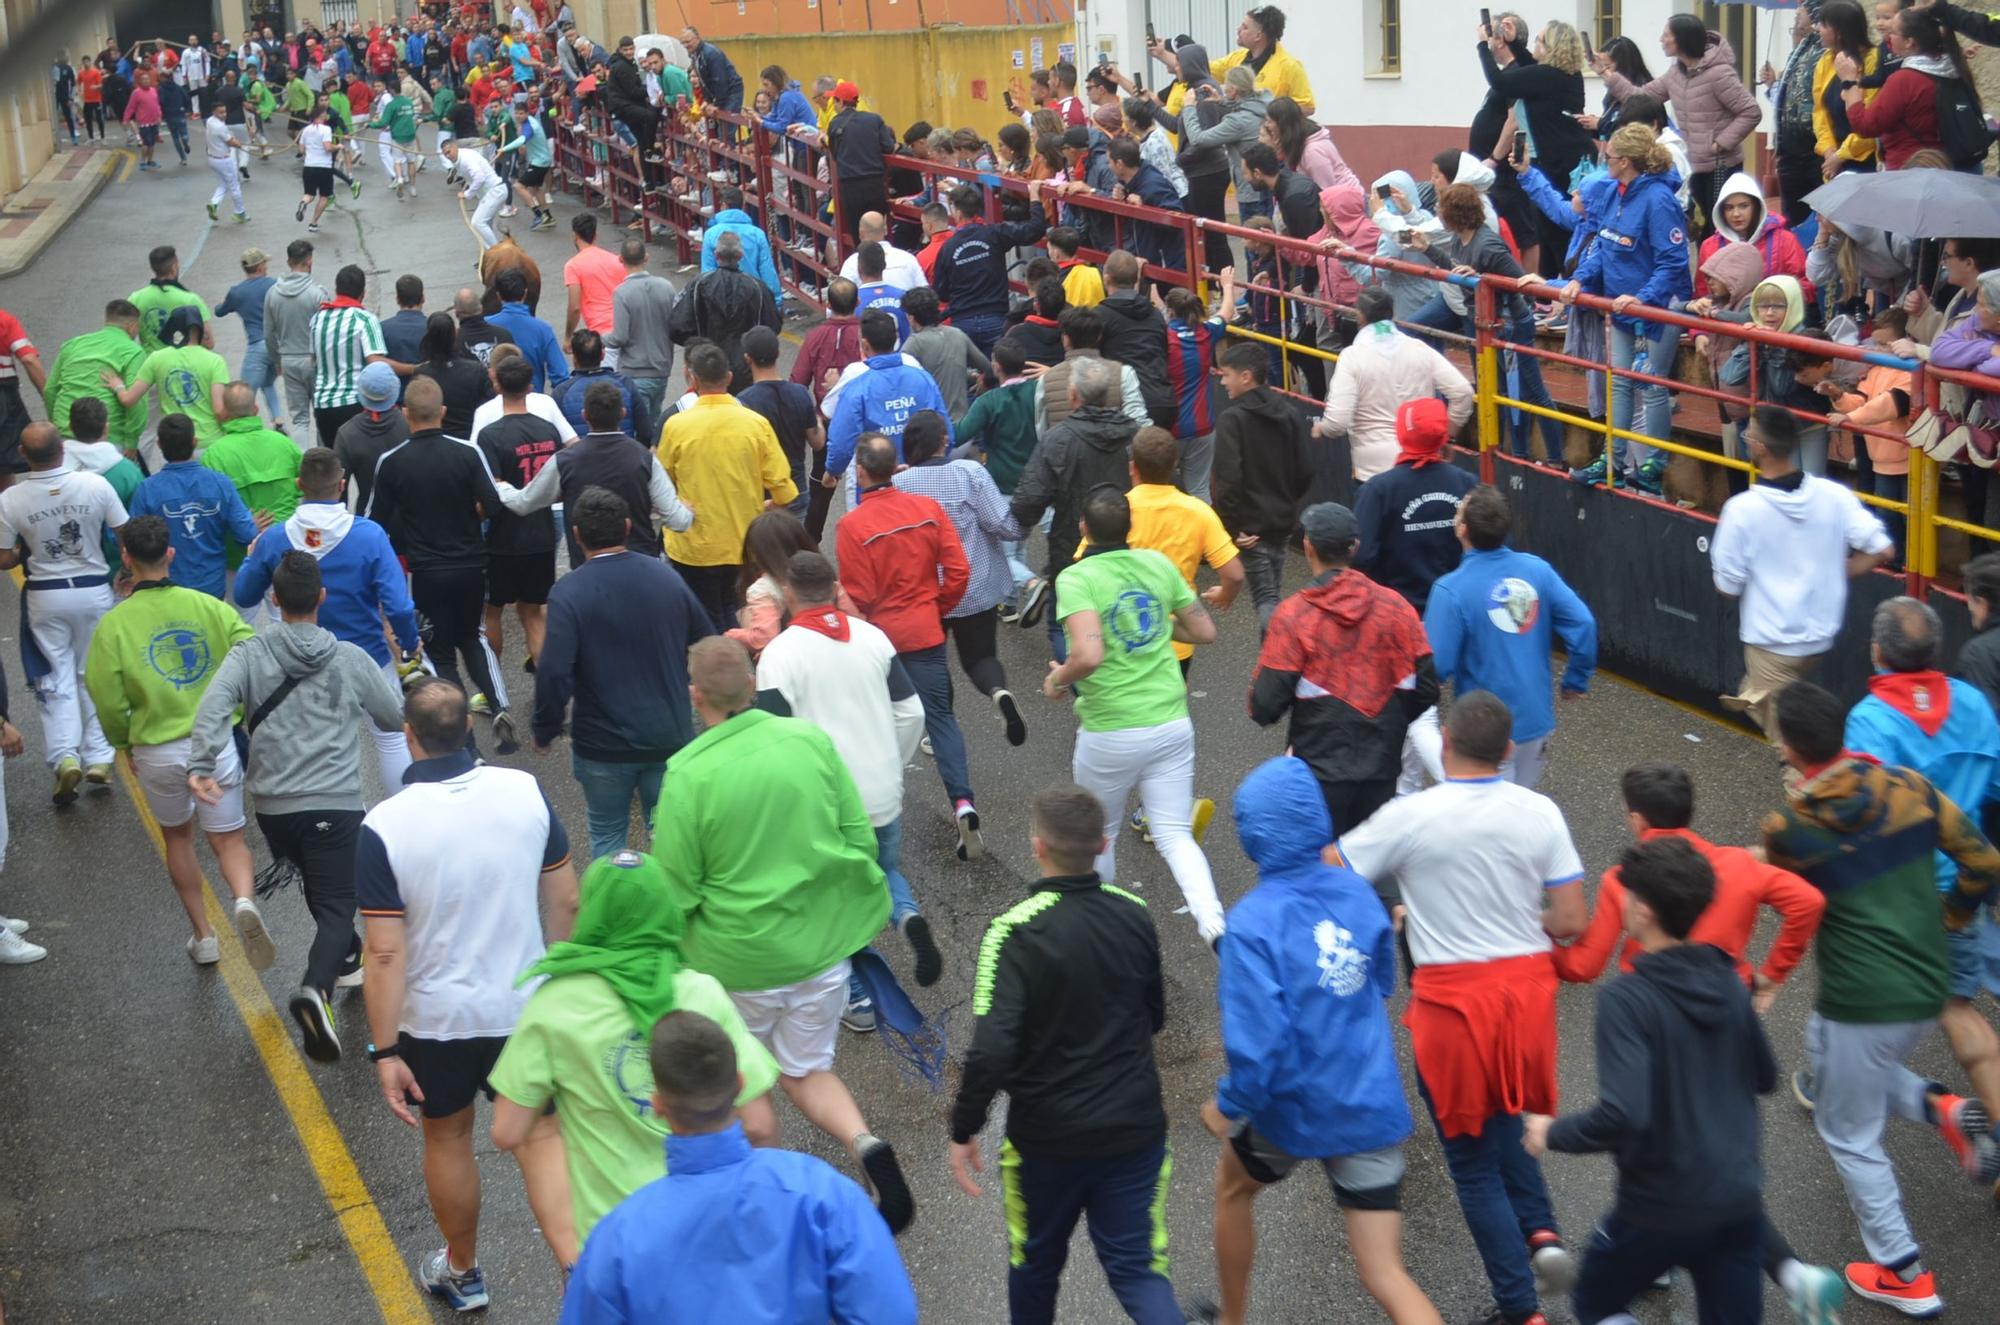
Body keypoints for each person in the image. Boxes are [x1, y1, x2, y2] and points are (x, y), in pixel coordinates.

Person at [1333, 690, 1586, 1325]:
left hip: (1454, 1007)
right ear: (1506, 752)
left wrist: (1404, 903)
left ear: (1444, 744)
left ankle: (1520, 1310)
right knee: (1507, 1120)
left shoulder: (1411, 814)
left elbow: (1334, 864)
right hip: (1525, 999)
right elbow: (1571, 920)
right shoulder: (1540, 811)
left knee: (1471, 1163)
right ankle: (1543, 1234)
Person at [652, 636, 915, 1231]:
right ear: (752, 684)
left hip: (735, 966)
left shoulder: (688, 774)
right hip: (820, 951)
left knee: (743, 1087)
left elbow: (677, 890)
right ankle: (864, 1143)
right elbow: (859, 835)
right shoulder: (808, 741)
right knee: (806, 1070)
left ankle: (768, 1207)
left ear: (697, 696)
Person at [1763, 680, 2000, 1315]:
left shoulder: (1792, 824)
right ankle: (1941, 1108)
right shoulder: (1908, 787)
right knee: (1824, 1053)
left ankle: (1903, 1273)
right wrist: (1951, 918)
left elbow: (1785, 896)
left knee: (1849, 1132)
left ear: (1790, 747)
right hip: (1928, 982)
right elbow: (1982, 860)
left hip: (1864, 998)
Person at [1194, 756, 1443, 1325]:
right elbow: (1380, 980)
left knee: (1234, 1191)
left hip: (1293, 1107)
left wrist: (1227, 1104)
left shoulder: (1251, 925)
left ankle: (1231, 1319)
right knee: (1385, 1272)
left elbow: (1260, 1047)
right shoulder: (1358, 894)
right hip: (1368, 1099)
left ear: (1253, 837)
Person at [358, 679, 580, 1304]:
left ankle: (463, 1273)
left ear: (409, 737)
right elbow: (565, 897)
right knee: (540, 1138)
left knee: (448, 1137)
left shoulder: (385, 825)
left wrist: (384, 1052)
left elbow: (383, 952)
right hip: (524, 1010)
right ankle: (577, 1270)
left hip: (437, 1021)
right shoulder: (524, 791)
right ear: (470, 729)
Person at [948, 783, 1183, 1324]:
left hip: (1045, 1143)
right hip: (1135, 1131)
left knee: (1034, 1266)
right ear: (1103, 844)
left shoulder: (1011, 932)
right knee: (1138, 1270)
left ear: (1037, 847)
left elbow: (991, 1050)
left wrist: (965, 1129)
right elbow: (1156, 1017)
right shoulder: (1135, 912)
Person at [1522, 837, 1776, 1323]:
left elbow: (1623, 1113)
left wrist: (1550, 1131)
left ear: (1641, 911)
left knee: (1595, 1302)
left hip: (1659, 1205)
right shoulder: (1728, 979)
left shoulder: (1627, 999)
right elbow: (1763, 1077)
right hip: (1738, 1199)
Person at [559, 1009, 916, 1324]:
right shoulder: (820, 1191)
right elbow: (889, 1313)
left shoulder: (617, 1240)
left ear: (658, 1105)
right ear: (740, 1084)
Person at [190, 547, 407, 1059]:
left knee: (319, 882)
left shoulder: (248, 655)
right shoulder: (351, 659)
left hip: (273, 809)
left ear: (274, 598)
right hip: (335, 803)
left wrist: (201, 764)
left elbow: (214, 707)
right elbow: (393, 718)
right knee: (338, 904)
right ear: (322, 598)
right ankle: (316, 988)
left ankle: (348, 958)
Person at [1842, 597, 2000, 1164]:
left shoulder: (1870, 719)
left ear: (1878, 651)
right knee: (1957, 1006)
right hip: (1966, 884)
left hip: (1902, 896)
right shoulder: (1976, 705)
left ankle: (1838, 1081)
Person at [755, 548, 941, 1012]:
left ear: (788, 594)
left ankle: (857, 999)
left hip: (824, 802)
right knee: (885, 868)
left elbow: (771, 743)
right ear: (836, 589)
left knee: (829, 898)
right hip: (881, 789)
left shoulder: (778, 655)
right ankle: (906, 915)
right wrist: (890, 762)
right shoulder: (872, 637)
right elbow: (911, 711)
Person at [83, 514, 263, 967]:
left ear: (125, 557)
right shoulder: (209, 607)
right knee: (230, 839)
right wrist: (236, 708)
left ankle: (203, 936)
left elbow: (105, 696)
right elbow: (252, 654)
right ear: (170, 553)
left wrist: (123, 742)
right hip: (215, 742)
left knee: (179, 838)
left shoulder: (114, 625)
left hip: (156, 749)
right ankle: (244, 901)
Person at [1047, 486, 1224, 945]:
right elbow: (1204, 630)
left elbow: (1087, 654)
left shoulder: (1076, 578)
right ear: (1129, 528)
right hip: (1170, 720)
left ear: (1084, 529)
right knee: (1173, 833)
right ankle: (1213, 923)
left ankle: (1102, 931)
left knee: (1100, 832)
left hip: (1110, 729)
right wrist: (1165, 623)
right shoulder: (1158, 565)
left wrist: (1057, 679)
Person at [532, 486, 711, 861]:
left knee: (607, 835)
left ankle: (614, 913)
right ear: (628, 526)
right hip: (669, 735)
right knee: (668, 837)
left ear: (577, 534)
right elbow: (707, 641)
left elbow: (553, 672)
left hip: (602, 746)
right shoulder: (665, 578)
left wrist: (546, 729)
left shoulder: (569, 592)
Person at [233, 447, 422, 788]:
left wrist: (251, 557)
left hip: (298, 662)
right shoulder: (369, 535)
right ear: (342, 485)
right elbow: (398, 605)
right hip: (368, 657)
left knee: (325, 746)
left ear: (298, 485)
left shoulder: (275, 539)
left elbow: (245, 595)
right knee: (392, 738)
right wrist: (409, 644)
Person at [838, 433, 985, 856]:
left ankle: (879, 816)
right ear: (895, 467)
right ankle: (962, 802)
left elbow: (858, 595)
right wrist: (937, 607)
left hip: (881, 641)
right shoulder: (926, 508)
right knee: (940, 719)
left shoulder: (852, 526)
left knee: (879, 727)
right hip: (925, 632)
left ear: (862, 472)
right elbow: (957, 570)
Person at [1251, 500, 1437, 834]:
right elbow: (1426, 690)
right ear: (1355, 548)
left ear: (1307, 547)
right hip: (1382, 770)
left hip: (1316, 777)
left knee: (1319, 872)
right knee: (1367, 872)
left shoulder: (1294, 616)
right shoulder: (1398, 608)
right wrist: (1385, 723)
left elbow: (1263, 707)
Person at [1710, 406, 1892, 744]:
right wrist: (1837, 573)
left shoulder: (1741, 510)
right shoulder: (1833, 495)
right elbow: (1883, 549)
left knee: (1792, 749)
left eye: (1748, 436)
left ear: (1759, 447)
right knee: (1768, 703)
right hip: (1819, 638)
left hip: (1771, 644)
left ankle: (1814, 785)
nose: (1746, 441)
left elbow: (1728, 586)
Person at [366, 376, 518, 752]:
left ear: (405, 414)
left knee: (441, 655)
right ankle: (498, 704)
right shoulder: (467, 452)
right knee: (475, 637)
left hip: (426, 572)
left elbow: (375, 523)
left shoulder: (392, 462)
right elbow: (495, 504)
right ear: (443, 411)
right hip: (470, 565)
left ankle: (468, 744)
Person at [1425, 486, 1596, 789]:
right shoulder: (1538, 570)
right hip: (1535, 721)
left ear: (1462, 529)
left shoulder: (1450, 590)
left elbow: (1435, 666)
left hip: (1483, 732)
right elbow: (1582, 623)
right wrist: (1575, 681)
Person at [0, 423, 127, 801]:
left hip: (46, 594)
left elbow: (4, 558)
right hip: (93, 591)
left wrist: (25, 552)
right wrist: (128, 573)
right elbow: (125, 533)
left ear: (24, 455)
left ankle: (64, 756)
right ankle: (100, 758)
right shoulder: (95, 486)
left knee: (54, 679)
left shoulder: (11, 499)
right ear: (62, 450)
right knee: (94, 675)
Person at [655, 343, 797, 631]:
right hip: (746, 543)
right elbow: (783, 487)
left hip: (693, 546)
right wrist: (769, 506)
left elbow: (662, 483)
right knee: (745, 611)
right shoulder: (755, 423)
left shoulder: (676, 425)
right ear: (730, 377)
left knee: (706, 618)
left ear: (691, 379)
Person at [1595, 15, 1759, 234]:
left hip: (1721, 166)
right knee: (1702, 231)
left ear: (1682, 39)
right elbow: (1640, 96)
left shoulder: (1720, 74)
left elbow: (1751, 111)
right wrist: (1605, 73)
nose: (1661, 40)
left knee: (1722, 229)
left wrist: (1721, 143)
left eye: (1666, 35)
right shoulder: (1676, 73)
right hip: (1694, 166)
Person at [1316, 288, 1473, 484]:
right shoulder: (1419, 348)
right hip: (1423, 463)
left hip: (1374, 472)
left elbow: (1337, 423)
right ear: (1393, 314)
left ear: (1360, 317)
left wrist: (1322, 428)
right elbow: (1463, 392)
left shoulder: (1352, 357)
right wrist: (1447, 438)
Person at [1209, 341, 1310, 634]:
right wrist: (1287, 504)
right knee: (1271, 592)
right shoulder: (1289, 412)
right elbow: (1304, 470)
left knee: (1266, 600)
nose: (1222, 380)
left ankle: (1277, 664)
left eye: (1227, 373)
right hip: (1282, 521)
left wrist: (1232, 528)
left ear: (1246, 376)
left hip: (1251, 529)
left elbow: (1228, 479)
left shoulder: (1232, 420)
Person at [473, 354, 562, 671]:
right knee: (534, 613)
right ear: (530, 386)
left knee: (491, 612)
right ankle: (548, 691)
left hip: (503, 539)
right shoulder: (549, 431)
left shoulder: (490, 436)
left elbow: (490, 493)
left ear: (496, 383)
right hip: (542, 535)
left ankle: (493, 688)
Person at [127, 415, 260, 600]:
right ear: (194, 442)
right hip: (212, 589)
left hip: (165, 589)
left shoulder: (147, 490)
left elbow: (133, 541)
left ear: (159, 444)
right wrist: (251, 523)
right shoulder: (220, 483)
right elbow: (246, 534)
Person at [824, 310, 953, 493]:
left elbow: (841, 442)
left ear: (864, 344)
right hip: (925, 486)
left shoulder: (857, 389)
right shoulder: (922, 378)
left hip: (878, 489)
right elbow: (947, 433)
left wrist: (832, 472)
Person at [931, 180, 1052, 354]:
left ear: (957, 212)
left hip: (962, 321)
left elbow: (941, 292)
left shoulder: (947, 248)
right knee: (1001, 373)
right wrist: (1034, 196)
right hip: (995, 317)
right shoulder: (994, 234)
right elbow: (1035, 229)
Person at [669, 232, 781, 395]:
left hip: (707, 365)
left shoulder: (699, 285)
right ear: (741, 256)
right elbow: (772, 327)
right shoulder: (756, 287)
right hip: (746, 368)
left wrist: (698, 347)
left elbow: (677, 326)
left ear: (716, 255)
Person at [42, 300, 148, 459]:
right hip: (108, 436)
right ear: (132, 326)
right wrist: (132, 442)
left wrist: (57, 423)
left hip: (67, 431)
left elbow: (50, 390)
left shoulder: (73, 345)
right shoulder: (133, 351)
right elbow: (137, 401)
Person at [736, 327, 820, 519]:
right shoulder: (800, 393)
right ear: (778, 353)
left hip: (764, 497)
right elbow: (817, 442)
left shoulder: (743, 402)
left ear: (748, 358)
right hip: (797, 489)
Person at [308, 263, 390, 447]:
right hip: (354, 403)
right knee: (364, 462)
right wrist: (411, 367)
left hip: (323, 405)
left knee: (336, 468)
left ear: (336, 290)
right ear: (363, 293)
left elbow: (313, 360)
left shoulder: (317, 319)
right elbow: (375, 362)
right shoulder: (365, 319)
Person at [605, 238, 676, 444]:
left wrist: (602, 339)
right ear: (646, 257)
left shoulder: (622, 293)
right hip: (661, 368)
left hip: (635, 371)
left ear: (621, 259)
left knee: (639, 431)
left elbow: (619, 337)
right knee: (654, 423)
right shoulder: (666, 287)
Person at [264, 240, 328, 438]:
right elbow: (326, 332)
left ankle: (302, 464)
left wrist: (278, 361)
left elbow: (268, 334)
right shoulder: (318, 294)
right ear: (309, 262)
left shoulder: (272, 294)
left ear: (289, 261)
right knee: (321, 417)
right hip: (315, 361)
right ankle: (323, 464)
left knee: (299, 419)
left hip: (289, 360)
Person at [821, 81, 893, 245]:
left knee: (858, 233)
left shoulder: (835, 123)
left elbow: (834, 152)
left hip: (850, 185)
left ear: (840, 102)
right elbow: (888, 147)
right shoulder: (875, 120)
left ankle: (863, 264)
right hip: (874, 183)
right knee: (879, 231)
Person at [214, 250, 281, 422]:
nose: (266, 266)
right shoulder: (275, 285)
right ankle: (278, 419)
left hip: (257, 346)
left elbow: (219, 312)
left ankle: (242, 426)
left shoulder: (237, 292)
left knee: (242, 395)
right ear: (259, 266)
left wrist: (225, 302)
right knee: (267, 384)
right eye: (265, 263)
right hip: (277, 346)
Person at [333, 363, 410, 513]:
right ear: (395, 390)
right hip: (408, 520)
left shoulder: (347, 433)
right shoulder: (410, 425)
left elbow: (338, 490)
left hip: (368, 517)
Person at [487, 268, 569, 393]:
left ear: (498, 296)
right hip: (532, 400)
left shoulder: (486, 325)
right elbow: (560, 374)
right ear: (525, 293)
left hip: (496, 402)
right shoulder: (543, 329)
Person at [698, 186, 783, 307]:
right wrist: (776, 303)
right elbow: (767, 270)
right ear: (742, 205)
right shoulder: (757, 233)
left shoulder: (711, 234)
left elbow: (707, 273)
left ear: (723, 205)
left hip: (723, 300)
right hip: (753, 296)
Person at [441, 135, 508, 248]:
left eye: (449, 152)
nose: (448, 156)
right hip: (489, 193)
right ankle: (488, 255)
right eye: (445, 154)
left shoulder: (466, 159)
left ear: (455, 147)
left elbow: (479, 177)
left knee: (477, 222)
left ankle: (497, 252)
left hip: (495, 191)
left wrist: (467, 194)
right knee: (485, 225)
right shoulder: (460, 157)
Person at [837, 211, 927, 291]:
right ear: (886, 230)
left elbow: (841, 299)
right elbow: (924, 292)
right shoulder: (909, 258)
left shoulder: (852, 262)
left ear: (861, 234)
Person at [295, 104, 340, 231]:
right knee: (324, 196)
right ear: (321, 116)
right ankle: (313, 223)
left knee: (309, 194)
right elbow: (328, 147)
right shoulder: (326, 129)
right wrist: (338, 146)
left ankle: (303, 203)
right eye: (325, 113)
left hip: (309, 166)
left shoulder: (305, 130)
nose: (327, 115)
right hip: (323, 167)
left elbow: (301, 150)